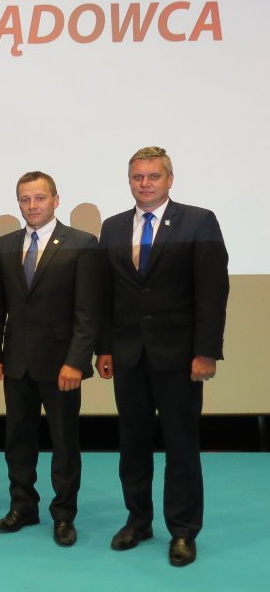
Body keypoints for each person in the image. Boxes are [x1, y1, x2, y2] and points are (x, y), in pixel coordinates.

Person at [95, 146, 229, 567]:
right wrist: (104, 347)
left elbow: (213, 291)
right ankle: (138, 521)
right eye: (138, 177)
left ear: (170, 179)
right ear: (129, 181)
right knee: (132, 444)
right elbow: (105, 295)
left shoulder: (199, 221)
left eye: (153, 176)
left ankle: (183, 530)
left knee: (181, 445)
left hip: (180, 357)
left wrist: (206, 352)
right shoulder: (113, 227)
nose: (145, 183)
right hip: (128, 355)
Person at [0, 171, 102, 546]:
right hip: (16, 362)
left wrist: (77, 361)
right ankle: (23, 507)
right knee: (17, 440)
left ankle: (64, 515)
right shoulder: (5, 245)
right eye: (25, 199)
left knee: (64, 442)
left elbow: (88, 312)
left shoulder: (82, 243)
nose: (32, 205)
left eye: (39, 198)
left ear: (55, 200)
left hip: (62, 364)